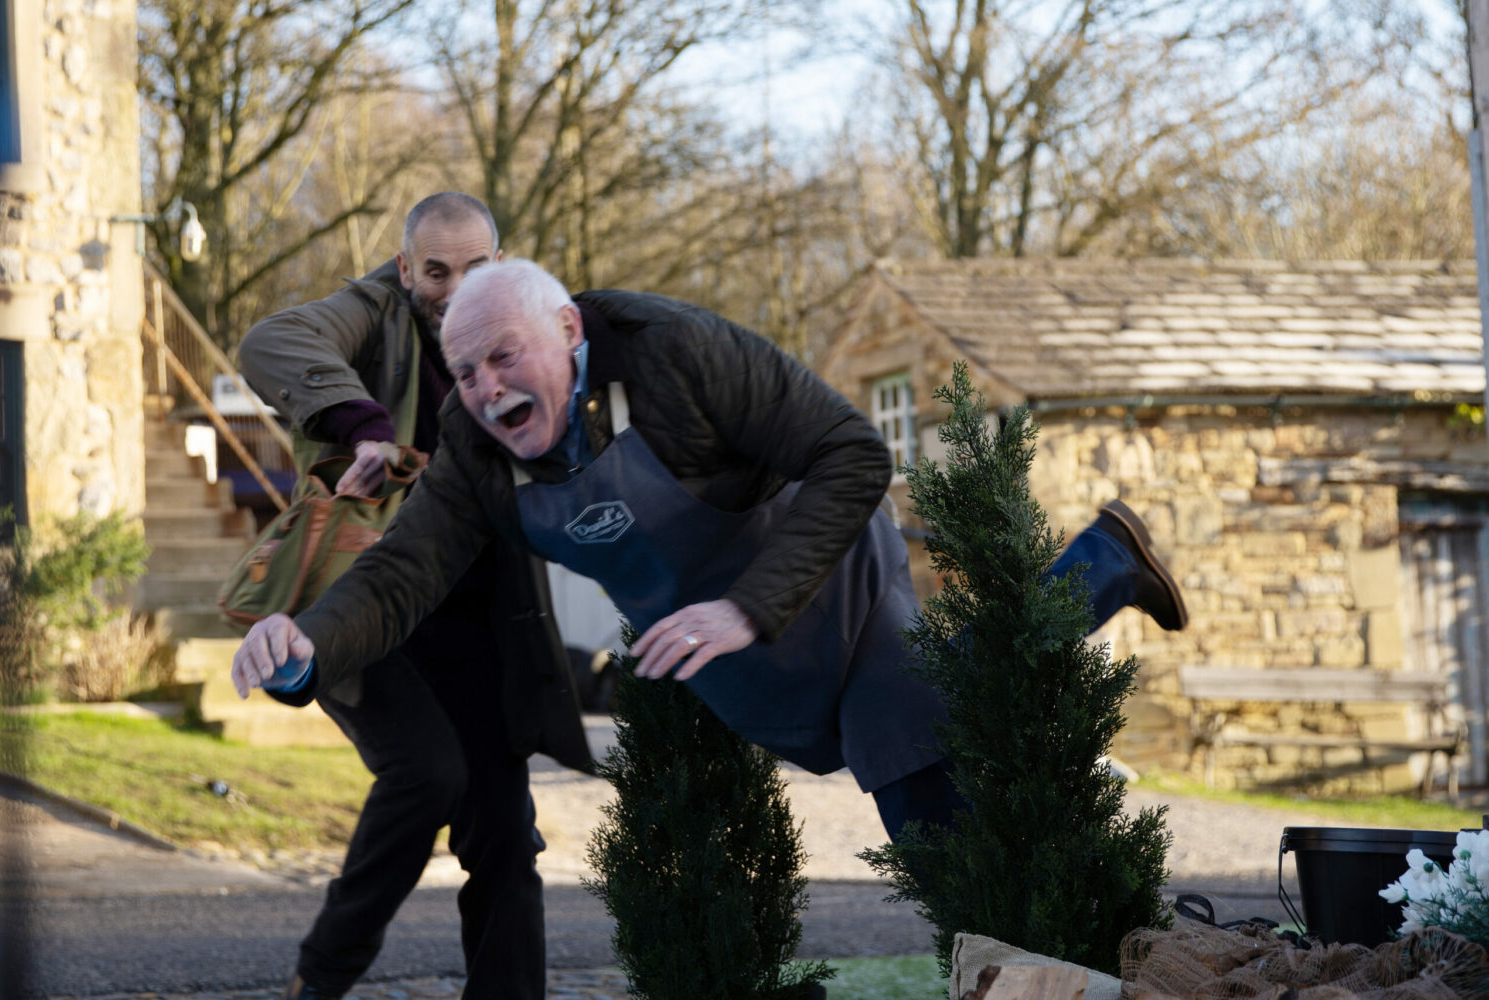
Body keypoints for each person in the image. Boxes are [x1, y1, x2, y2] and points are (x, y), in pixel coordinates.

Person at [231, 257, 1186, 881]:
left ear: (567, 330)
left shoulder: (677, 355)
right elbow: (403, 575)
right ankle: (1101, 566)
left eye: (503, 356)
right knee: (954, 697)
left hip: (826, 579)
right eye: (466, 370)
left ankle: (1000, 945)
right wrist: (305, 640)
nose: (485, 389)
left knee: (914, 768)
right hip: (736, 665)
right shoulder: (474, 453)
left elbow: (853, 453)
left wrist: (745, 605)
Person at [236, 201, 591, 1000]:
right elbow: (269, 342)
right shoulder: (374, 312)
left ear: (502, 261)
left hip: (478, 615)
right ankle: (321, 978)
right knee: (427, 773)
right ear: (406, 270)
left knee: (503, 834)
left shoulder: (516, 319)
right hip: (369, 607)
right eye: (436, 271)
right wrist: (363, 426)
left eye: (474, 268)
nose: (454, 287)